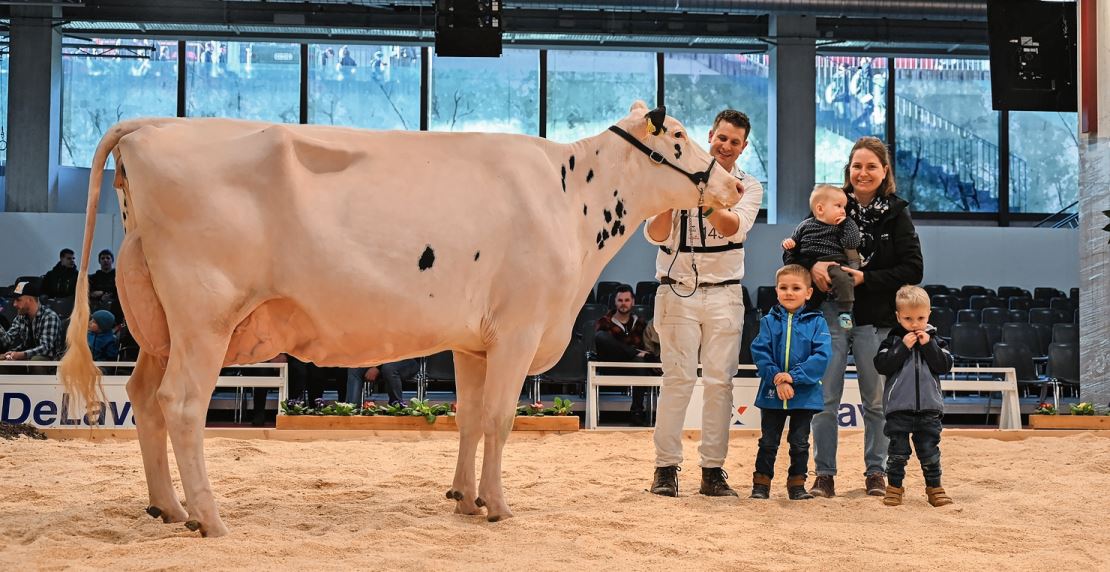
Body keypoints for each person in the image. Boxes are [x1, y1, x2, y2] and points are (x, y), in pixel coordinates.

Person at [787, 136, 923, 499]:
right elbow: (795, 253)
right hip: (830, 316)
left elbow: (913, 268)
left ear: (884, 171)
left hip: (874, 318)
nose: (863, 173)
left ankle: (876, 472)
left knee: (875, 402)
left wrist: (866, 278)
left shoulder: (897, 212)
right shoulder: (828, 204)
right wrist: (812, 264)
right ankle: (824, 475)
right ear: (849, 170)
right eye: (857, 166)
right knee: (825, 398)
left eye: (871, 166)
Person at [644, 109, 763, 497]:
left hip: (726, 292)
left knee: (719, 383)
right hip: (676, 287)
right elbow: (656, 234)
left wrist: (704, 196)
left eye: (734, 142)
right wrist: (672, 194)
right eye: (721, 137)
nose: (725, 146)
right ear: (710, 134)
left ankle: (713, 470)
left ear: (743, 147)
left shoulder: (749, 185)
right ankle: (665, 469)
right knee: (677, 379)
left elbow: (733, 229)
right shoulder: (678, 173)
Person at [748, 265, 831, 500]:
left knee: (800, 443)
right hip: (772, 393)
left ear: (808, 292)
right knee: (768, 442)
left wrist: (793, 377)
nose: (789, 293)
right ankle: (761, 485)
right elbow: (760, 352)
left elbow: (821, 356)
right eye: (783, 288)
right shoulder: (768, 321)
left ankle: (797, 485)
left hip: (804, 395)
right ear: (776, 291)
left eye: (796, 288)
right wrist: (777, 378)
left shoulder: (818, 323)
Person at [873, 286, 954, 507]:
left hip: (929, 409)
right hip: (898, 409)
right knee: (897, 453)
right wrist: (902, 347)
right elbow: (882, 365)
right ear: (898, 316)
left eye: (920, 317)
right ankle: (894, 488)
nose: (915, 323)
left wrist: (929, 345)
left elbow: (944, 365)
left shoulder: (937, 341)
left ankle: (935, 488)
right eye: (908, 318)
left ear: (929, 315)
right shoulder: (891, 340)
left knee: (929, 452)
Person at [781, 184, 862, 329]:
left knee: (843, 278)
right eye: (838, 206)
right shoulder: (805, 225)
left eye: (844, 207)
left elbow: (852, 243)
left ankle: (845, 312)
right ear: (820, 209)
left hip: (835, 262)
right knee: (797, 283)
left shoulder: (842, 225)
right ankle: (800, 313)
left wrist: (847, 224)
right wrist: (789, 244)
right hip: (807, 263)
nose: (843, 211)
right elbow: (793, 246)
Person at [593, 284, 657, 425]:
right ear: (615, 302)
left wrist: (641, 354)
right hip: (610, 364)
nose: (623, 304)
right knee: (601, 336)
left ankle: (637, 412)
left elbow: (646, 346)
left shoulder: (640, 323)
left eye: (627, 300)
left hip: (633, 366)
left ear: (633, 302)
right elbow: (602, 344)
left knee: (641, 363)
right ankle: (633, 353)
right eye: (620, 300)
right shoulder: (605, 322)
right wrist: (634, 351)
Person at [1, 278, 64, 363]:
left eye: (18, 300)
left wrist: (21, 354)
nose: (14, 304)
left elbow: (46, 348)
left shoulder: (49, 317)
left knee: (36, 360)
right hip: (27, 357)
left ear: (29, 300)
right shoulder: (20, 317)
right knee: (4, 361)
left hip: (51, 361)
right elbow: (7, 341)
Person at [347, 359, 421, 406]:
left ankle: (396, 406)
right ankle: (352, 407)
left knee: (389, 368)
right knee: (354, 369)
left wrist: (377, 368)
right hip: (379, 360)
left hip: (407, 358)